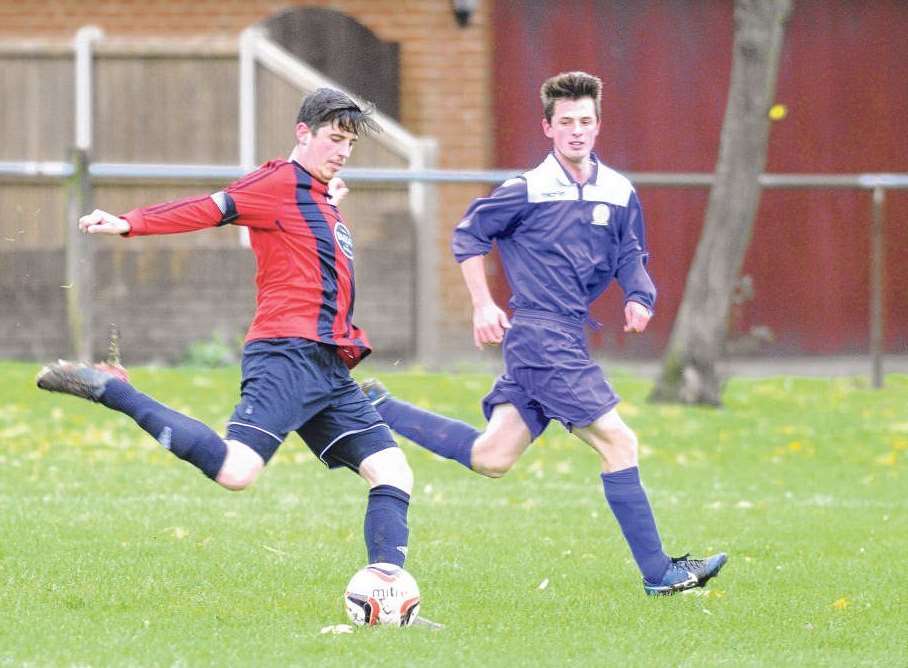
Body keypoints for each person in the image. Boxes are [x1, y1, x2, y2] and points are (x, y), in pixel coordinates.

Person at [362, 71, 727, 596]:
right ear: (548, 128)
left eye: (585, 121)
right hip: (540, 338)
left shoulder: (619, 190)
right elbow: (467, 239)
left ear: (598, 125)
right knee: (619, 442)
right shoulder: (525, 189)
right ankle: (660, 574)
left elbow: (630, 253)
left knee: (493, 457)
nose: (576, 131)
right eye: (566, 122)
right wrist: (483, 305)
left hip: (565, 337)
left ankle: (379, 407)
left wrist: (640, 294)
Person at [37, 88, 415, 573]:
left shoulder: (318, 195)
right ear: (303, 133)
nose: (342, 152)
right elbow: (210, 207)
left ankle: (387, 591)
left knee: (392, 471)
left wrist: (328, 198)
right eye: (334, 139)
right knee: (237, 471)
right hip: (288, 353)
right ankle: (113, 391)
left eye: (350, 144)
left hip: (328, 364)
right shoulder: (279, 182)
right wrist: (129, 223)